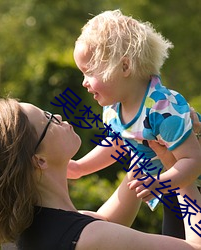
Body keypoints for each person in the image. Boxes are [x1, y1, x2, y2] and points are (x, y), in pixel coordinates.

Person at [0, 98, 201, 250]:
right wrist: (181, 171)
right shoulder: (89, 238)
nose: (57, 116)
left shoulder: (23, 234)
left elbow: (105, 221)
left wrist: (145, 140)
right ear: (39, 160)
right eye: (48, 120)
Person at [70, 9, 201, 238]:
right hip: (171, 185)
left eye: (89, 72)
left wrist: (160, 183)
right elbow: (118, 143)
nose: (84, 82)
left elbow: (193, 160)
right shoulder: (114, 108)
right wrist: (81, 167)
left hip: (190, 186)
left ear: (124, 67)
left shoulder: (162, 108)